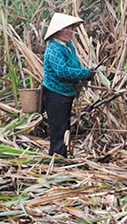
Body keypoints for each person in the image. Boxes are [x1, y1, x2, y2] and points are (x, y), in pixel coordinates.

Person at [42, 12, 96, 158]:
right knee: (58, 128)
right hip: (55, 94)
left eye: (71, 28)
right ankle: (56, 157)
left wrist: (84, 73)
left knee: (64, 126)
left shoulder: (68, 46)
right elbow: (62, 72)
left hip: (66, 93)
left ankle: (62, 155)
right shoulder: (53, 48)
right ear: (57, 31)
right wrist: (84, 74)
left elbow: (74, 65)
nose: (69, 32)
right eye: (66, 29)